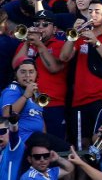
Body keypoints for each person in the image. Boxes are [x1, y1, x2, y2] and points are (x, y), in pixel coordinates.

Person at [60, 0, 102, 148]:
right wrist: (72, 36)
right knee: (82, 145)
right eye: (90, 11)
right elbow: (63, 57)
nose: (92, 14)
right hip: (79, 99)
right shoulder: (80, 37)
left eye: (97, 11)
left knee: (99, 142)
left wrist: (96, 42)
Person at [13, 10, 67, 140]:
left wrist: (39, 44)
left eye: (45, 24)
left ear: (54, 29)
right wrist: (27, 42)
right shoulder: (24, 45)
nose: (40, 27)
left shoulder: (61, 45)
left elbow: (53, 67)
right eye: (37, 24)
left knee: (56, 144)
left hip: (53, 104)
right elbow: (16, 66)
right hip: (29, 105)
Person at [1, 57, 44, 142]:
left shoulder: (36, 92)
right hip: (22, 137)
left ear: (36, 74)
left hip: (37, 137)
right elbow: (6, 113)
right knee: (67, 148)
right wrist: (25, 96)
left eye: (31, 72)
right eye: (23, 72)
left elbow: (40, 118)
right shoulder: (12, 89)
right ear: (15, 74)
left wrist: (45, 139)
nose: (27, 75)